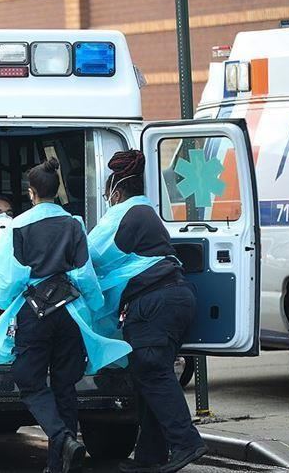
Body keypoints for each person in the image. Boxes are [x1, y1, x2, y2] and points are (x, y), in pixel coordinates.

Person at [0, 158, 131, 473]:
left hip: (34, 313)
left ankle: (63, 439)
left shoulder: (18, 226)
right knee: (65, 386)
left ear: (31, 193)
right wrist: (94, 306)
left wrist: (3, 302)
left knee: (29, 379)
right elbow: (85, 274)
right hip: (70, 313)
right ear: (57, 190)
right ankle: (60, 463)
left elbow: (8, 278)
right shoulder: (74, 224)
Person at [87, 150, 207, 473]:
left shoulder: (123, 214)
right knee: (149, 374)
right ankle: (149, 457)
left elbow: (87, 255)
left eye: (107, 193)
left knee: (152, 372)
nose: (108, 199)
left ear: (116, 190)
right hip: (176, 296)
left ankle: (186, 442)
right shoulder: (147, 212)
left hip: (154, 303)